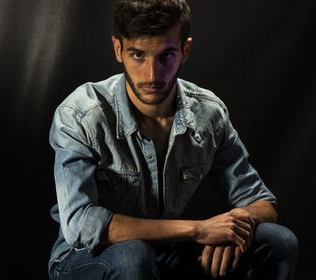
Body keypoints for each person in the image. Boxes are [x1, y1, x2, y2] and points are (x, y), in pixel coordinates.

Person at [48, 0, 299, 279]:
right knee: (134, 255)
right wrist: (200, 230)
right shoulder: (81, 116)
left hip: (167, 252)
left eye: (166, 56)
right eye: (138, 55)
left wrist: (236, 227)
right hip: (85, 258)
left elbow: (262, 202)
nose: (152, 75)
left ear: (185, 50)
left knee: (277, 241)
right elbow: (81, 224)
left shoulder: (209, 114)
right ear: (118, 50)